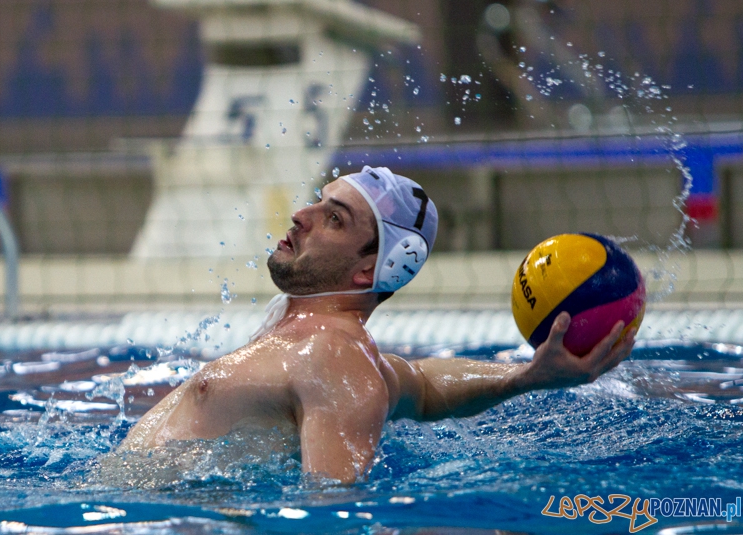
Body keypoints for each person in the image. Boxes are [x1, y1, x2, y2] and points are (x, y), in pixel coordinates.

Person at [119, 165, 636, 483]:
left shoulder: (334, 358)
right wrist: (525, 378)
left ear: (371, 268)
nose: (303, 214)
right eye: (319, 201)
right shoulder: (324, 346)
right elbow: (425, 385)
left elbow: (331, 513)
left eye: (334, 218)